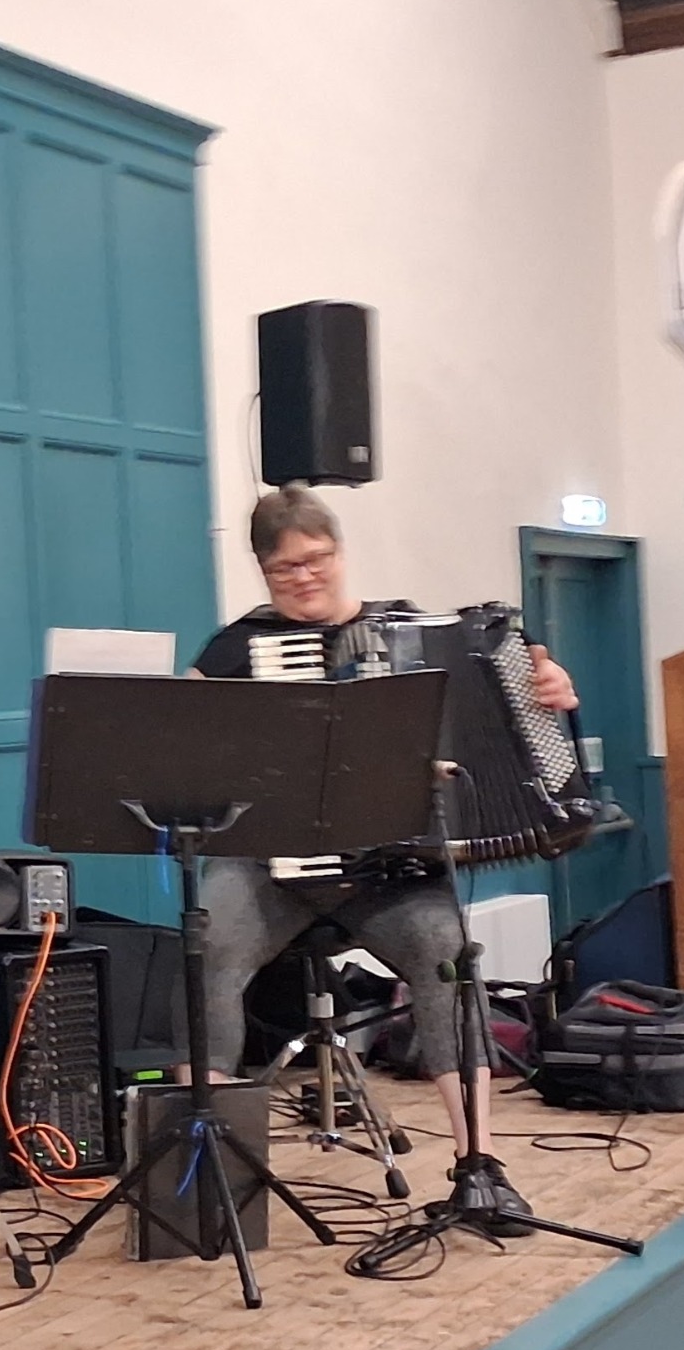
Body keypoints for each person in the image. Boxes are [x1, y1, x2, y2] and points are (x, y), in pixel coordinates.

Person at [190, 483, 580, 1234]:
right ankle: (206, 1166)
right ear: (263, 573)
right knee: (206, 945)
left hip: (388, 871)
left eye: (315, 559)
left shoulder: (411, 634)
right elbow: (186, 748)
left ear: (339, 552)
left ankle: (478, 1164)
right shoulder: (235, 650)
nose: (303, 577)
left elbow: (512, 714)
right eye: (283, 569)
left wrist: (553, 692)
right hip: (272, 868)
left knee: (446, 954)